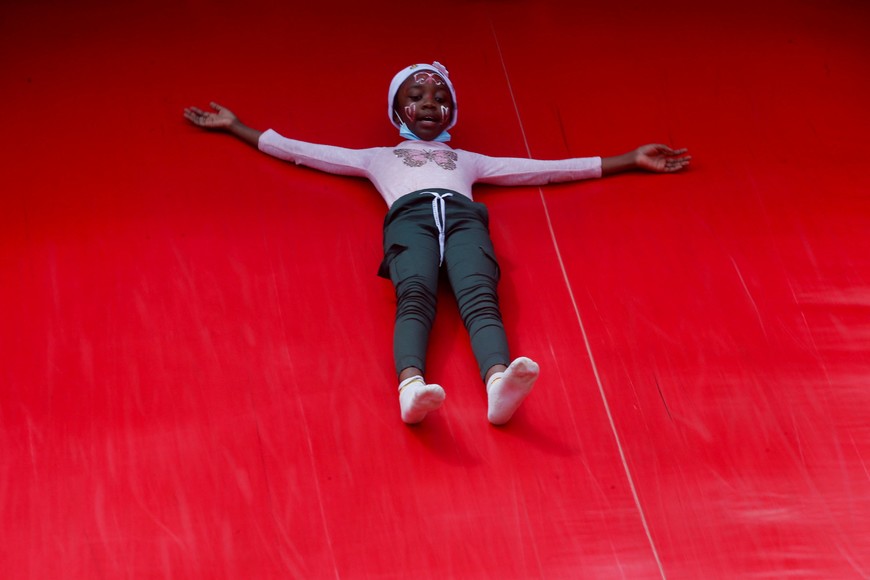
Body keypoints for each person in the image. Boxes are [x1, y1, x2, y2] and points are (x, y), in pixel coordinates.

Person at [184, 61, 690, 426]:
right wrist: (239, 128)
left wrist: (624, 159)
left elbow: (541, 170)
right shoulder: (378, 158)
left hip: (468, 222)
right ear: (396, 110)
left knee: (480, 300)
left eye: (440, 98)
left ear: (451, 112)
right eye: (416, 96)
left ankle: (497, 386)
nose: (430, 103)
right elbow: (306, 152)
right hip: (410, 222)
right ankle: (410, 389)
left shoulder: (468, 161)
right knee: (416, 298)